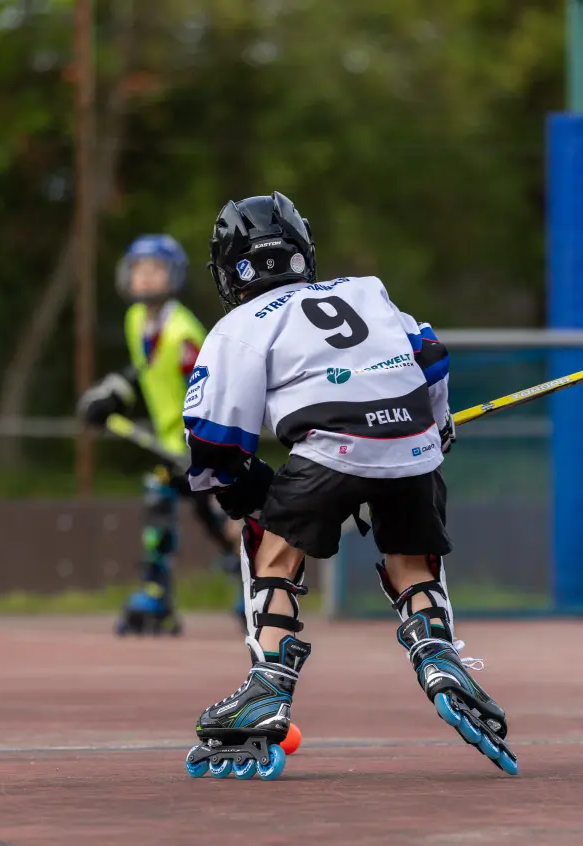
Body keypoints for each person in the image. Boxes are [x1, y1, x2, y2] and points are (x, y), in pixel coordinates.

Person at [178, 192, 515, 780]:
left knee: (269, 546)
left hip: (329, 447)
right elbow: (431, 359)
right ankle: (437, 654)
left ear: (231, 268)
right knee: (411, 553)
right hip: (411, 446)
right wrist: (437, 428)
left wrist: (248, 491)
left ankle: (268, 687)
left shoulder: (237, 327)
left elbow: (212, 442)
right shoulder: (365, 290)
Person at [77, 234, 241, 635]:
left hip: (203, 447)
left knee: (225, 524)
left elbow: (212, 389)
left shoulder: (184, 333)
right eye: (139, 270)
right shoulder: (136, 321)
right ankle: (156, 592)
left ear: (174, 277)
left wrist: (208, 447)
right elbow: (144, 371)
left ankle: (255, 588)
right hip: (170, 449)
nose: (146, 279)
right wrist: (113, 393)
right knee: (158, 502)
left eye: (156, 270)